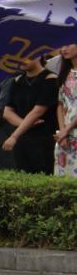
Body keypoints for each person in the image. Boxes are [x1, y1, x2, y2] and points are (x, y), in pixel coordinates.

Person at [2, 54, 59, 173]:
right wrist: (25, 124)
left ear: (39, 56)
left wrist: (14, 136)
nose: (22, 60)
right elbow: (7, 112)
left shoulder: (50, 78)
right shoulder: (17, 80)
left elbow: (38, 111)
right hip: (21, 141)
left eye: (27, 56)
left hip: (43, 140)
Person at [54, 44, 77, 176]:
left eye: (68, 45)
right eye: (62, 45)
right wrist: (62, 130)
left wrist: (65, 130)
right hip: (65, 135)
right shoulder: (64, 73)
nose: (64, 49)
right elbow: (60, 104)